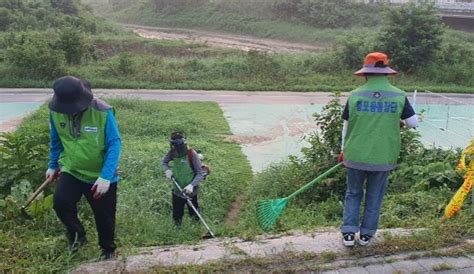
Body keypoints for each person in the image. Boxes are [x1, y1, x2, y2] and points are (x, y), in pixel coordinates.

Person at [339, 52, 418, 247]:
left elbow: (346, 126)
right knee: (375, 195)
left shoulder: (355, 95)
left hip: (355, 154)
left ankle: (349, 233)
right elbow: (413, 123)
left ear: (365, 74)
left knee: (353, 193)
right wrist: (398, 122)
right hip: (383, 156)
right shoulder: (399, 95)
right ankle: (366, 235)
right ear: (386, 73)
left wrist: (343, 150)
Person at [45, 76, 121, 259]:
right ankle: (77, 235)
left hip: (100, 175)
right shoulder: (55, 112)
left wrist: (105, 176)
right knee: (61, 203)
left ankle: (108, 249)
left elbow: (114, 143)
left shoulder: (102, 111)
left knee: (104, 217)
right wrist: (52, 165)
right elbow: (56, 140)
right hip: (72, 169)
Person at [162, 132, 205, 226]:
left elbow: (200, 173)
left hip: (191, 191)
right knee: (177, 215)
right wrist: (167, 170)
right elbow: (164, 162)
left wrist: (191, 185)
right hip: (177, 189)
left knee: (194, 213)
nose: (178, 149)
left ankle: (196, 230)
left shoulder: (191, 154)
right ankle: (177, 231)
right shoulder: (172, 152)